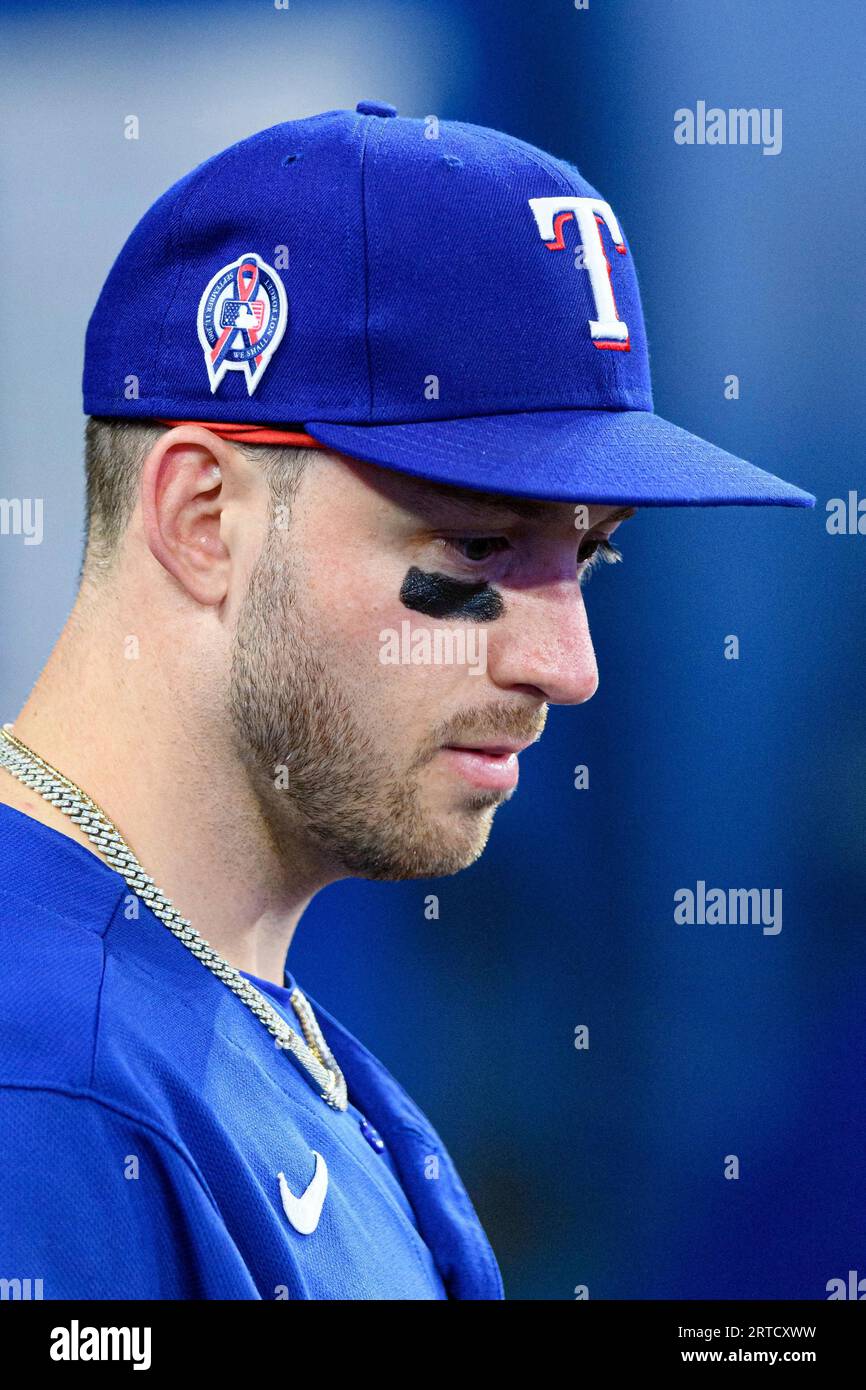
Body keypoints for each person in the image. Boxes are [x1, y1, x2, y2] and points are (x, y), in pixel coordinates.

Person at [0, 101, 814, 1300]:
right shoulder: (48, 1091)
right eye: (479, 547)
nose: (568, 666)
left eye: (589, 556)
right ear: (202, 521)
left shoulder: (264, 1033)